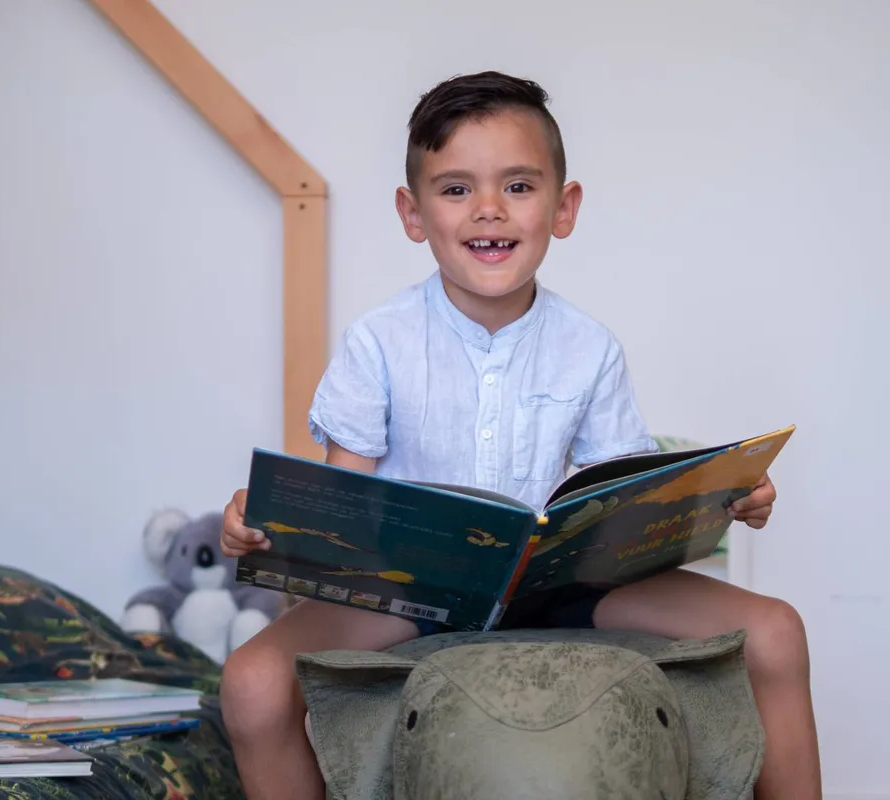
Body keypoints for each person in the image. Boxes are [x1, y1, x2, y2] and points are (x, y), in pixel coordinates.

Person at [218, 70, 821, 800]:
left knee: (776, 631)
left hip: (564, 586)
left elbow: (624, 497)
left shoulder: (589, 346)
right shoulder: (379, 342)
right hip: (410, 595)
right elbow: (343, 505)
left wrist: (727, 495)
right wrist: (262, 523)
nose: (488, 210)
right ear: (413, 214)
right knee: (251, 681)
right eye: (456, 188)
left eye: (518, 186)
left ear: (563, 209)